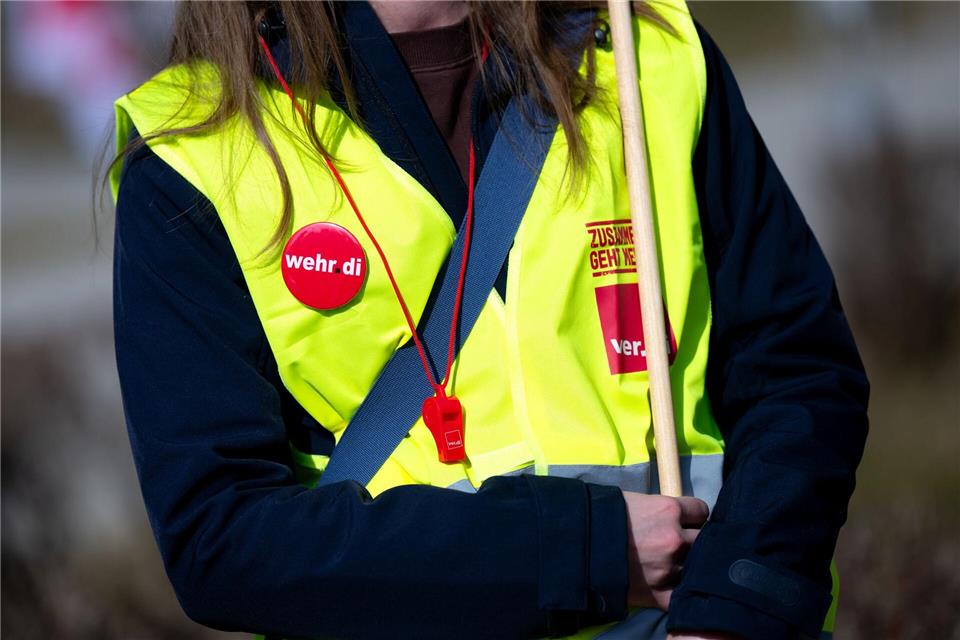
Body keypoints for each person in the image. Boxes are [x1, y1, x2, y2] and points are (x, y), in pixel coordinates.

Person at [109, 2, 869, 639]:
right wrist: (590, 550)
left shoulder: (646, 55)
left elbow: (799, 374)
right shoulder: (195, 150)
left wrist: (736, 608)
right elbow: (222, 539)